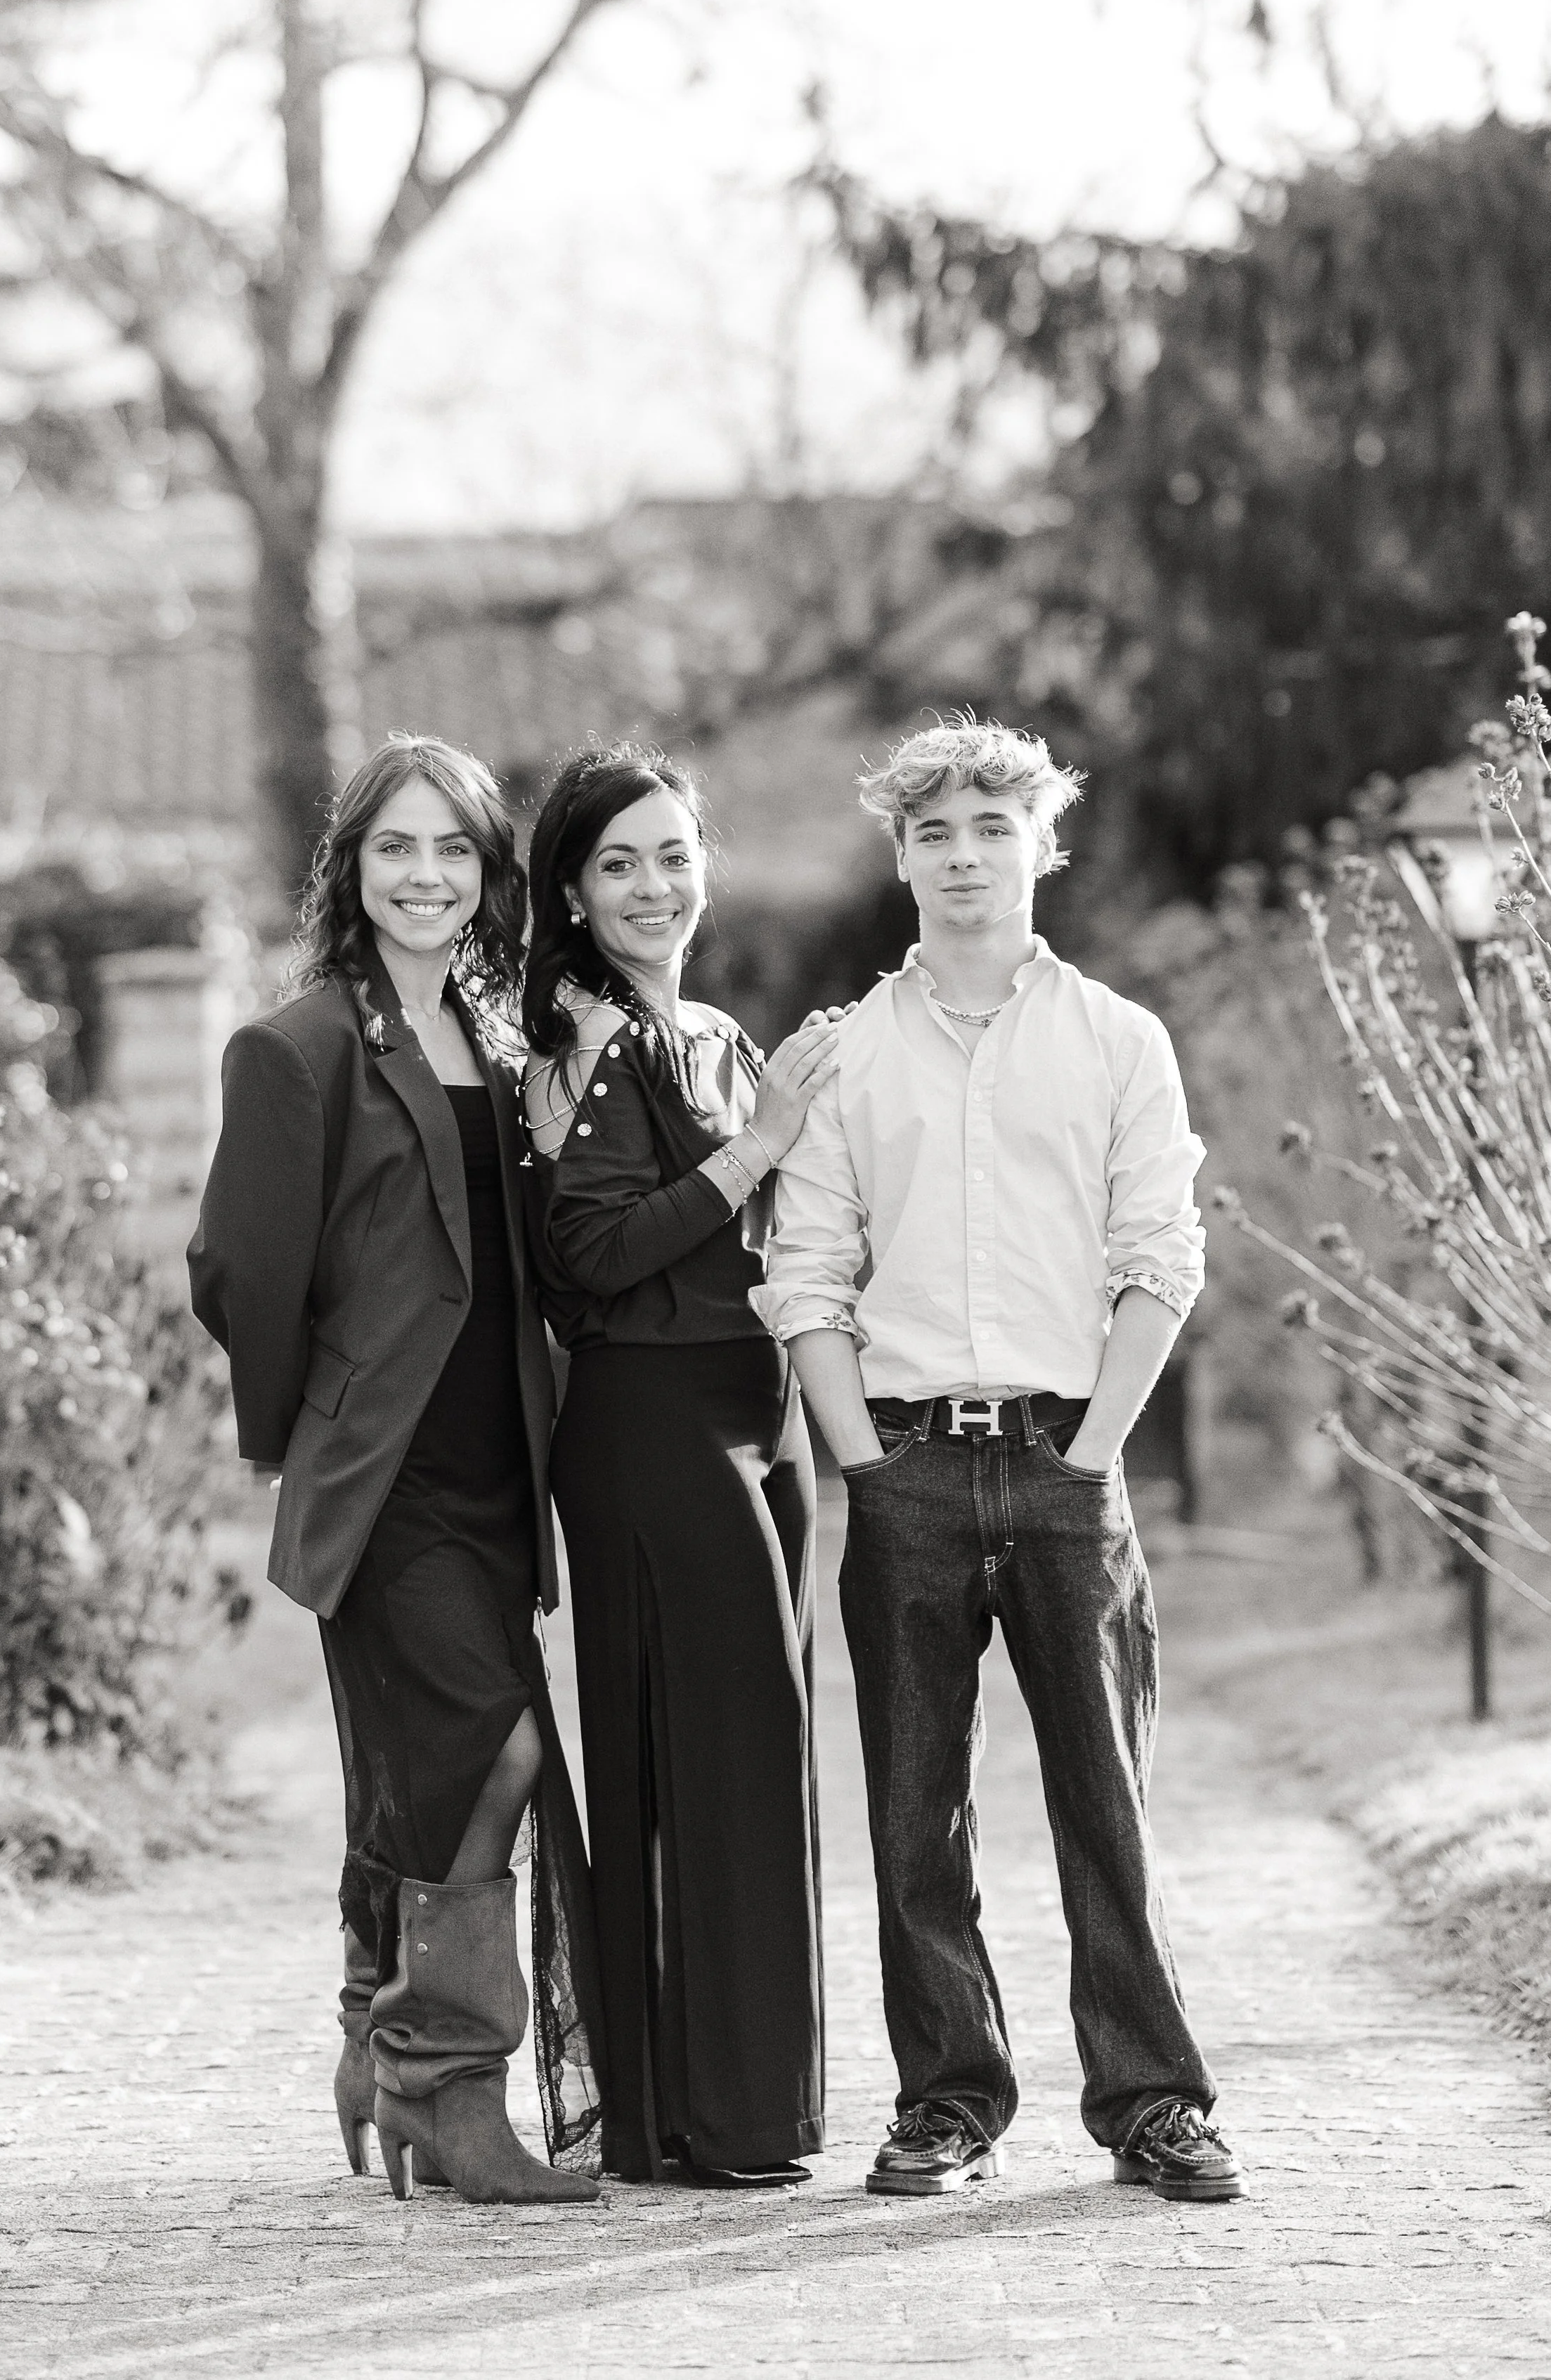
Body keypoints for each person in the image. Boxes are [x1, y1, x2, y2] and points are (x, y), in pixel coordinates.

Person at [755, 716, 1247, 2205]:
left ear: (1042, 844)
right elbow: (805, 1270)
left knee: (1107, 1804)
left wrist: (1092, 1452)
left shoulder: (1117, 1040)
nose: (964, 856)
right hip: (903, 1464)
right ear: (902, 857)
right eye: (934, 833)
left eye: (991, 827)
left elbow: (1160, 1256)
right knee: (915, 1818)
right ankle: (948, 2102)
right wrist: (860, 1461)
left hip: (1064, 1464)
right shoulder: (848, 1055)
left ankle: (1153, 2102)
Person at [188, 735, 602, 2208]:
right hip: (386, 1478)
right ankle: (445, 2081)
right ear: (350, 868)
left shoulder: (498, 1040)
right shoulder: (295, 1046)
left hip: (498, 1473)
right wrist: (299, 1432)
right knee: (497, 1750)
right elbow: (238, 1270)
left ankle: (378, 2030)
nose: (425, 875)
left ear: (489, 874)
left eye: (453, 850)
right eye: (394, 848)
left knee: (422, 1769)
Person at [521, 744, 838, 2187]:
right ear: (572, 896)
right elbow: (586, 1257)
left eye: (673, 854)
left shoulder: (715, 1031)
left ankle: (746, 2107)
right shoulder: (582, 1049)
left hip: (762, 1411)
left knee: (760, 1752)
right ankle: (702, 2114)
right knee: (711, 1748)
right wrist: (759, 1146)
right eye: (618, 864)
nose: (654, 887)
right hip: (651, 1418)